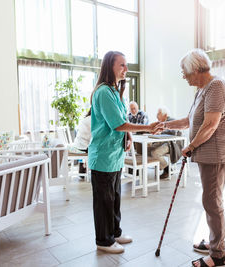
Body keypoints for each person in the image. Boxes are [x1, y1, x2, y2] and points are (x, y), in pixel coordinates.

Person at [155, 49, 225, 267]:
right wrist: (166, 124)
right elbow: (190, 120)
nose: (183, 76)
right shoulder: (202, 90)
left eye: (185, 72)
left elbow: (210, 125)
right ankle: (214, 242)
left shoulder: (216, 87)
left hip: (216, 154)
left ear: (197, 70)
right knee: (211, 200)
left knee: (212, 201)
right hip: (207, 155)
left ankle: (219, 255)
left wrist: (190, 146)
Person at [88, 51, 159, 254]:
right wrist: (146, 128)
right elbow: (118, 124)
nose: (126, 69)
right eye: (122, 65)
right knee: (104, 201)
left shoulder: (114, 92)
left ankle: (114, 232)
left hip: (114, 157)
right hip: (103, 157)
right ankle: (104, 241)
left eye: (126, 65)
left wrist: (129, 137)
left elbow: (122, 123)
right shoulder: (103, 92)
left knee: (115, 198)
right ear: (110, 67)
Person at [150, 107, 182, 179]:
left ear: (165, 115)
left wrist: (161, 131)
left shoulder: (172, 121)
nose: (156, 115)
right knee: (149, 149)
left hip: (174, 145)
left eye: (158, 114)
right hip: (166, 143)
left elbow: (174, 132)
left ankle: (167, 169)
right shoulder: (161, 123)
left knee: (155, 153)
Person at [71, 110, 91, 178]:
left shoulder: (86, 119)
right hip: (83, 147)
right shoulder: (93, 120)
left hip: (77, 145)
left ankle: (83, 168)